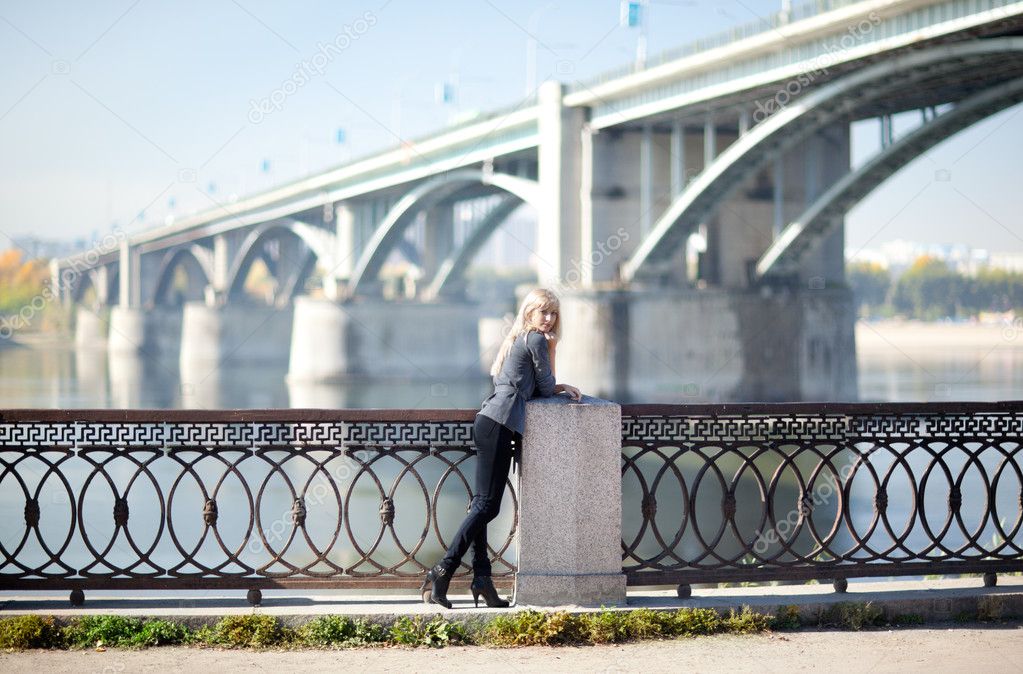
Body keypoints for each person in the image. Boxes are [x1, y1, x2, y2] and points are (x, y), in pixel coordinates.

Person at [421, 287, 582, 608]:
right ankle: (443, 569)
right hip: (500, 424)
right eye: (543, 312)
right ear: (529, 313)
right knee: (487, 507)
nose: (549, 319)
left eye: (554, 313)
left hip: (489, 420)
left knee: (481, 504)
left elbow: (525, 385)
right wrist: (557, 368)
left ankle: (482, 579)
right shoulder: (535, 339)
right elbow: (547, 388)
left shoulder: (517, 338)